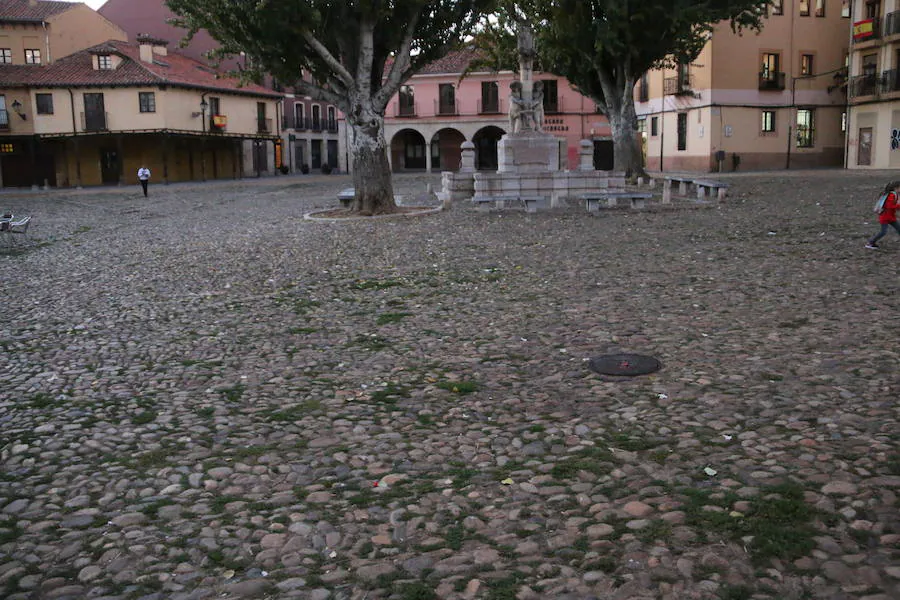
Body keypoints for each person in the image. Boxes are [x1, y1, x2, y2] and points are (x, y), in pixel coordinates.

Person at [866, 180, 900, 250]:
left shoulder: (891, 194)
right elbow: (890, 206)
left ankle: (871, 242)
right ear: (896, 188)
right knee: (883, 232)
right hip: (885, 217)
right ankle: (870, 242)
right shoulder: (892, 195)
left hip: (890, 216)